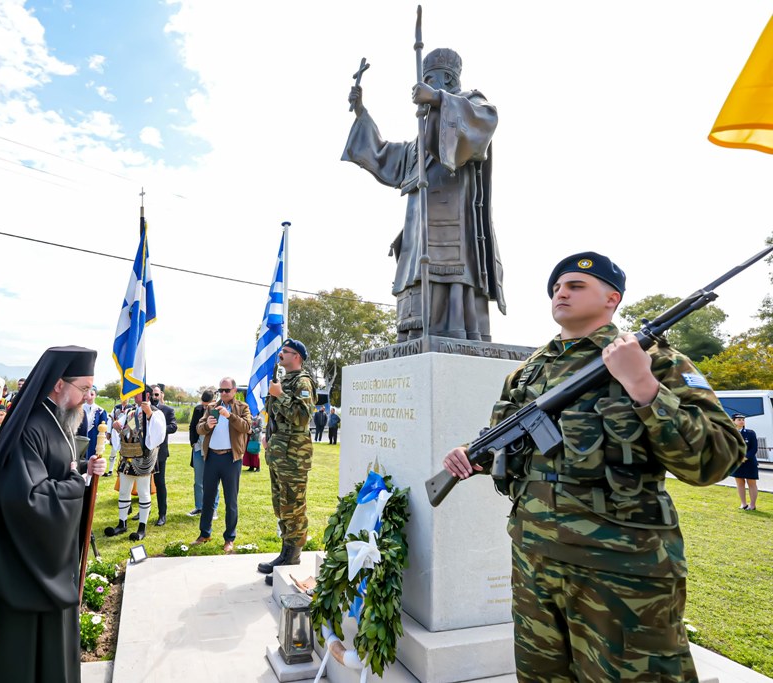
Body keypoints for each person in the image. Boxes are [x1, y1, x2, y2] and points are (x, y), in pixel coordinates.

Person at [442, 251, 744, 682]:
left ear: (612, 299)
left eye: (576, 286)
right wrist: (472, 456)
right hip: (534, 563)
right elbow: (510, 445)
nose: (561, 293)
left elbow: (716, 460)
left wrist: (643, 385)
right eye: (557, 288)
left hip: (622, 571)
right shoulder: (529, 372)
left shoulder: (657, 361)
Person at [0, 345, 106, 683]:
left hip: (44, 555)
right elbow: (29, 498)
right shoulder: (30, 426)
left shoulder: (60, 419)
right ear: (59, 384)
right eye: (84, 388)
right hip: (20, 561)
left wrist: (85, 473)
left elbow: (60, 470)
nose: (88, 397)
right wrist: (78, 483)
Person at [344, 48, 504, 342]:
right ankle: (416, 337)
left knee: (451, 277)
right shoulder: (420, 141)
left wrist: (439, 99)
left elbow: (485, 120)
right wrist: (361, 113)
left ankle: (457, 334)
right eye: (425, 80)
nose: (427, 85)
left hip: (454, 221)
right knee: (418, 279)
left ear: (448, 78)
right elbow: (386, 156)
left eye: (433, 79)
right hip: (419, 230)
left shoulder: (470, 103)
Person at [257, 339, 316, 582]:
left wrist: (279, 395)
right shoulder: (282, 381)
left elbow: (302, 417)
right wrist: (268, 437)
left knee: (294, 506)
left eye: (286, 352)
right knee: (282, 506)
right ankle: (285, 553)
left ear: (298, 357)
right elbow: (275, 416)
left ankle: (293, 557)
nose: (281, 355)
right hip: (279, 453)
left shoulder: (302, 382)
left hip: (294, 455)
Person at [194, 377, 251, 553]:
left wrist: (230, 416)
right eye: (221, 390)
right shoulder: (211, 407)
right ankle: (205, 533)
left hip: (231, 459)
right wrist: (207, 426)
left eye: (227, 390)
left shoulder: (242, 407)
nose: (224, 393)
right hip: (212, 458)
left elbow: (247, 427)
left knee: (231, 500)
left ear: (234, 391)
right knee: (208, 498)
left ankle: (229, 538)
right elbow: (199, 428)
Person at [104, 392, 165, 541]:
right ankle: (122, 523)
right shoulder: (132, 412)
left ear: (147, 395)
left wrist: (149, 414)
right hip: (128, 456)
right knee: (124, 491)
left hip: (144, 459)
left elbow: (158, 434)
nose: (132, 395)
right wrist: (119, 427)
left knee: (144, 493)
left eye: (136, 393)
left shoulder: (157, 413)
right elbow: (130, 430)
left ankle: (142, 527)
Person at [149, 383, 177, 527]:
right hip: (144, 453)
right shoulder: (142, 410)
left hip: (160, 453)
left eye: (156, 394)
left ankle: (162, 514)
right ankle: (144, 511)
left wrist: (158, 429)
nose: (154, 397)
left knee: (159, 483)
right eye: (151, 394)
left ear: (161, 395)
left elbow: (173, 426)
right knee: (144, 484)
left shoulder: (167, 410)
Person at [188, 389, 219, 514]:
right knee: (198, 481)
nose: (205, 407)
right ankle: (199, 506)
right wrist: (193, 443)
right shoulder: (197, 409)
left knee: (213, 481)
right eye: (204, 404)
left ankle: (213, 509)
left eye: (208, 404)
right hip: (198, 448)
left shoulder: (218, 410)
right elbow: (192, 427)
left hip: (212, 449)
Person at [730, 413, 760, 510]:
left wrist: (745, 457)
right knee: (739, 482)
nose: (742, 421)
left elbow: (754, 448)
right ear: (733, 421)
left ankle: (752, 505)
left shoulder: (750, 433)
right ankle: (743, 504)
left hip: (750, 462)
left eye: (743, 419)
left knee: (751, 483)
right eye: (739, 419)